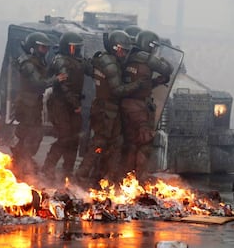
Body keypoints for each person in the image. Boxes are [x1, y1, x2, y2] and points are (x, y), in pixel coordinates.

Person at [75, 30, 146, 186]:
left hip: (105, 108)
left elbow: (89, 68)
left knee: (114, 144)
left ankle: (104, 177)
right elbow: (117, 90)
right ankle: (82, 176)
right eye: (123, 50)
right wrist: (138, 84)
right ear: (115, 47)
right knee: (99, 143)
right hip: (106, 110)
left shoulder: (101, 59)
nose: (124, 54)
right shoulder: (111, 64)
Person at [120, 30, 173, 180]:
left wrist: (156, 82)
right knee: (144, 144)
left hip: (125, 105)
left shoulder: (128, 57)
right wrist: (163, 59)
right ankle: (140, 179)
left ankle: (126, 178)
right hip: (139, 108)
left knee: (130, 143)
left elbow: (140, 83)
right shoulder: (146, 58)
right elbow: (167, 69)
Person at [11, 31, 67, 177]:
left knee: (33, 136)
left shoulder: (36, 62)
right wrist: (56, 79)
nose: (45, 51)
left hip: (33, 104)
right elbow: (38, 83)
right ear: (33, 47)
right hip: (26, 105)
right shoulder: (28, 63)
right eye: (42, 48)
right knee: (29, 136)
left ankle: (22, 162)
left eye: (46, 48)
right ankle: (20, 164)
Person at [41, 32, 93, 181]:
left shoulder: (76, 61)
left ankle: (67, 170)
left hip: (72, 104)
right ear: (68, 48)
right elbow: (65, 87)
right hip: (60, 104)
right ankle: (48, 167)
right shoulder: (61, 61)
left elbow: (89, 69)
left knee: (75, 138)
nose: (77, 51)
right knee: (64, 137)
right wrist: (75, 105)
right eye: (74, 48)